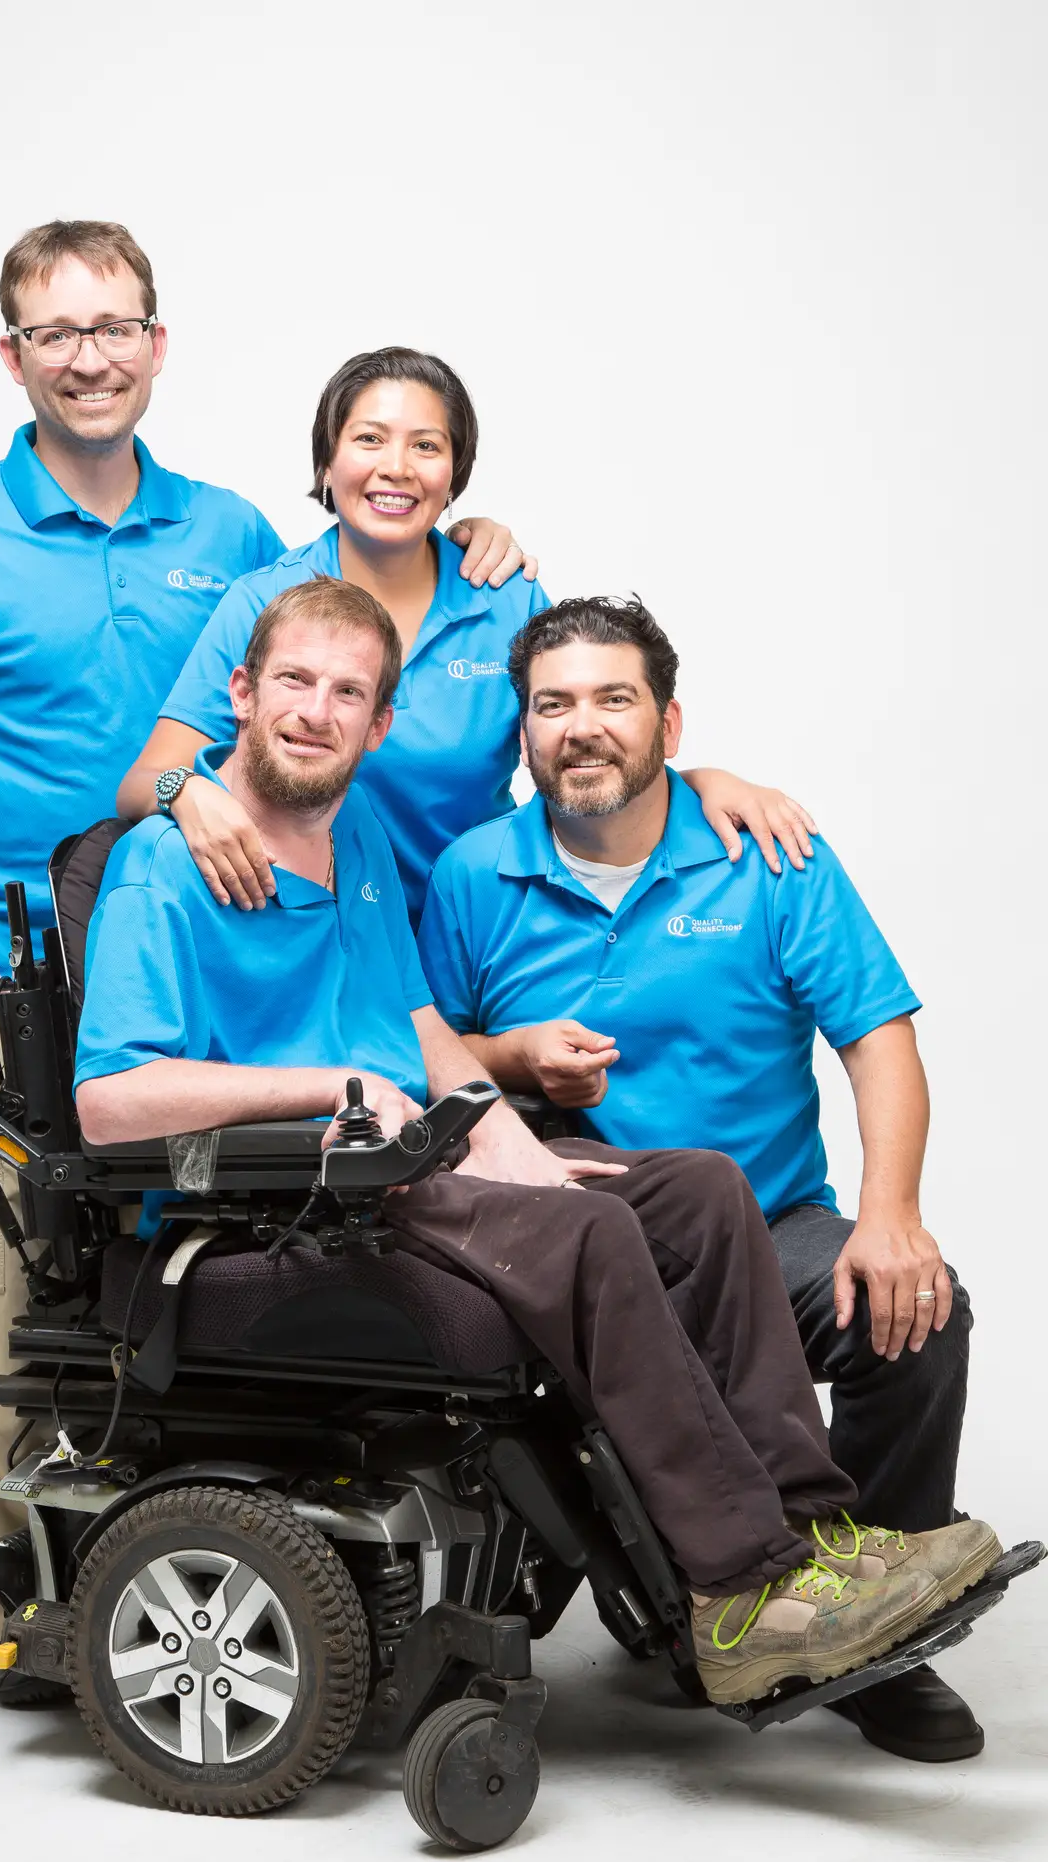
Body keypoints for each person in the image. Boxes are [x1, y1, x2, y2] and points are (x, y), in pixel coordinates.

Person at [75, 574, 1000, 1710]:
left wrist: (516, 1147)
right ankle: (740, 1587)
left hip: (406, 1165)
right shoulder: (160, 868)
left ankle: (812, 1541)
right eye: (293, 683)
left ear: (379, 723)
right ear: (241, 692)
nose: (316, 711)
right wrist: (339, 1083)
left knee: (701, 1190)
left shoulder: (353, 834)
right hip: (295, 1200)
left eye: (346, 692)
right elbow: (109, 1100)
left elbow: (419, 1030)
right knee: (592, 1232)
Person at [0, 220, 529, 1653]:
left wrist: (466, 539)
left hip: (228, 945)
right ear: (15, 356)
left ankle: (186, 1539)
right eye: (56, 333)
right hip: (14, 958)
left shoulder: (226, 537)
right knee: (12, 1270)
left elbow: (358, 609)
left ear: (159, 345)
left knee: (231, 1236)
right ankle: (11, 1592)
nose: (88, 357)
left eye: (114, 329)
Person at [416, 594, 983, 1760]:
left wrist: (887, 1219)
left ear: (668, 724)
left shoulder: (766, 856)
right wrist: (509, 1056)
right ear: (520, 735)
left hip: (768, 1229)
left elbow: (879, 1042)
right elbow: (410, 1054)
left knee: (916, 1319)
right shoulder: (473, 875)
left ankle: (876, 1640)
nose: (582, 727)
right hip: (578, 1244)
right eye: (552, 704)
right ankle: (715, 1587)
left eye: (611, 700)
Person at [118, 347, 815, 927]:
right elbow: (141, 784)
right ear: (326, 465)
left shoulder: (506, 599)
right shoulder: (266, 599)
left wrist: (698, 782)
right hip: (307, 940)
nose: (397, 466)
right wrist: (189, 792)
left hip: (479, 935)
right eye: (369, 439)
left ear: (454, 475)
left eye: (427, 445)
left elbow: (584, 747)